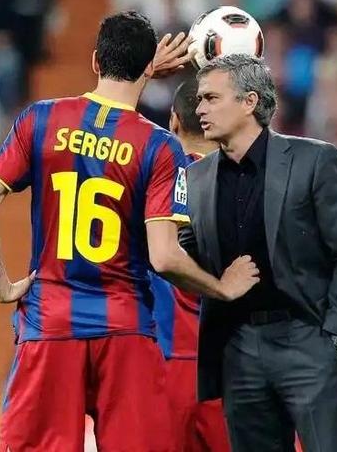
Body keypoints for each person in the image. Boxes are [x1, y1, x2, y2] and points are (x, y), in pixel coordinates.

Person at [0, 12, 259, 451]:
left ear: (94, 61)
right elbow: (164, 257)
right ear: (148, 67)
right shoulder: (159, 146)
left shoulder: (40, 120)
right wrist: (222, 288)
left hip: (50, 323)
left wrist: (2, 286)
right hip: (125, 329)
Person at [180, 54, 337, 452]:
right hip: (238, 347)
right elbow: (186, 257)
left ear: (249, 102)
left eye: (211, 98)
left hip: (307, 337)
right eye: (199, 99)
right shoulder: (195, 178)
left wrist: (336, 341)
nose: (200, 109)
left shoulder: (314, 159)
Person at [150, 76, 230, 452]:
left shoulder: (147, 178)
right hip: (229, 367)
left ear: (174, 120)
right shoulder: (253, 185)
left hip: (161, 363)